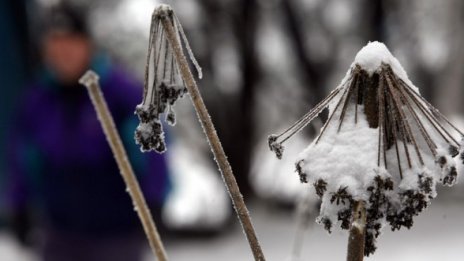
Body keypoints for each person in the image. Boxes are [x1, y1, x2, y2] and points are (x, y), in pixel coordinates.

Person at [6, 4, 170, 261]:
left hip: (116, 234)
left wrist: (155, 200)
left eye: (70, 43)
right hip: (59, 232)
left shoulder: (121, 93)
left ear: (88, 44)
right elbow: (22, 156)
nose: (63, 53)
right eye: (55, 44)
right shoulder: (37, 101)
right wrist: (18, 203)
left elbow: (151, 149)